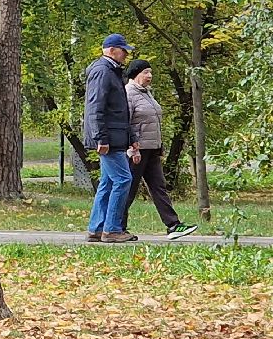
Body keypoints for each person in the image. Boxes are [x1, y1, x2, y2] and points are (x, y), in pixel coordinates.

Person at [124, 59, 198, 239]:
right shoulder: (128, 93)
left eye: (150, 72)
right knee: (128, 190)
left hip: (152, 149)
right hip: (137, 151)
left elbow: (153, 121)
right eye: (146, 72)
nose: (150, 76)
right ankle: (116, 227)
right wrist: (132, 149)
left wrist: (159, 146)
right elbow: (125, 123)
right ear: (135, 74)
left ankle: (173, 225)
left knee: (159, 187)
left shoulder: (147, 93)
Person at [85, 33, 137, 243]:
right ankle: (112, 229)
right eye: (123, 50)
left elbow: (120, 111)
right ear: (112, 50)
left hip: (115, 135)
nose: (126, 54)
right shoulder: (102, 71)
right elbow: (95, 107)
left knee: (107, 182)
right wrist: (101, 138)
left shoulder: (112, 71)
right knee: (123, 179)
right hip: (109, 138)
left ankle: (97, 228)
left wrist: (131, 137)